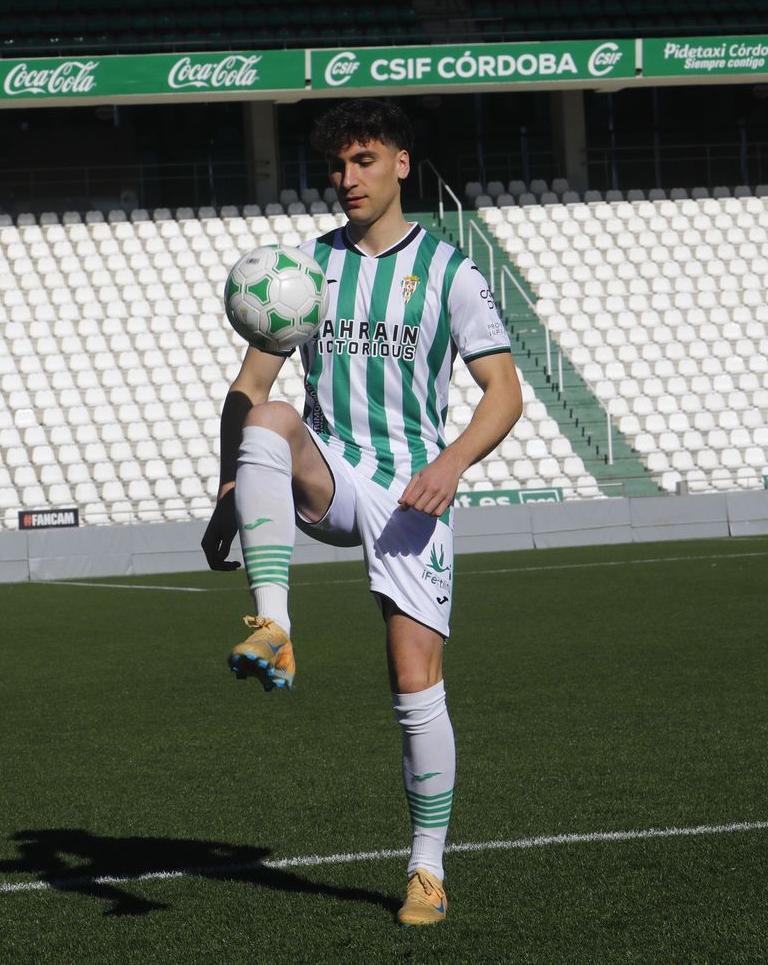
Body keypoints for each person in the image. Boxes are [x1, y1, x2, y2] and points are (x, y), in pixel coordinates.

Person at [200, 98, 523, 926]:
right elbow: (251, 388)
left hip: (414, 487)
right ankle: (272, 623)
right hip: (333, 474)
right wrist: (231, 488)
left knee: (415, 684)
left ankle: (426, 868)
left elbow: (503, 393)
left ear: (402, 164)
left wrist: (453, 464)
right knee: (269, 422)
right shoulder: (304, 271)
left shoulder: (452, 272)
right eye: (338, 166)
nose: (348, 179)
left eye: (365, 161)